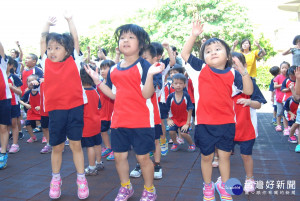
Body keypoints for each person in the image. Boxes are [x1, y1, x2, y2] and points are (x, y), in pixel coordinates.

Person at [85, 23, 164, 201]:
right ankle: (125, 187)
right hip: (119, 120)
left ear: (141, 43)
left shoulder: (144, 66)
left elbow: (147, 94)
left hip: (142, 121)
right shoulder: (113, 69)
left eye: (131, 37)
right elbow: (113, 94)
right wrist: (98, 81)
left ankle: (149, 189)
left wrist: (150, 75)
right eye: (122, 38)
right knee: (119, 157)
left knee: (143, 158)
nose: (125, 40)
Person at [181, 19, 253, 201]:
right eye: (208, 51)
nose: (213, 52)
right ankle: (207, 186)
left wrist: (243, 71)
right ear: (204, 56)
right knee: (206, 158)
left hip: (227, 124)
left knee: (224, 157)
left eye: (218, 49)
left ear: (228, 55)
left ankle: (225, 186)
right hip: (205, 124)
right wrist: (194, 35)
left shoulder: (233, 74)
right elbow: (185, 53)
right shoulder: (200, 69)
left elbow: (248, 91)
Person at [40, 14, 89, 199]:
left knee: (76, 144)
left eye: (57, 48)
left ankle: (81, 178)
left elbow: (75, 38)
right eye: (50, 47)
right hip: (56, 110)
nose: (52, 51)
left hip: (75, 107)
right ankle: (55, 178)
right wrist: (47, 24)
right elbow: (42, 40)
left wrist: (70, 21)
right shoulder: (45, 61)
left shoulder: (74, 59)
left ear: (67, 50)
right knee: (57, 146)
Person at [231, 52, 267, 194]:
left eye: (236, 64)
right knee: (224, 154)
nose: (233, 68)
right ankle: (224, 179)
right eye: (230, 64)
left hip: (247, 127)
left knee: (246, 155)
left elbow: (259, 104)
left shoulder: (250, 83)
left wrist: (249, 101)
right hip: (228, 127)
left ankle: (250, 179)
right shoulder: (224, 83)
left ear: (244, 66)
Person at [130, 44, 163, 180]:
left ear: (154, 59)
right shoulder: (134, 70)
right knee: (137, 142)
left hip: (152, 115)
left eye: (145, 58)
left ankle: (157, 165)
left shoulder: (155, 73)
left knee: (155, 141)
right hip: (137, 115)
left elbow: (152, 88)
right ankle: (139, 164)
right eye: (140, 58)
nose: (142, 61)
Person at [151, 41, 175, 156]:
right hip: (147, 99)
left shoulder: (162, 66)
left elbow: (173, 61)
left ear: (158, 56)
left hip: (159, 99)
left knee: (160, 122)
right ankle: (152, 144)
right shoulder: (144, 66)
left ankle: (163, 140)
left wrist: (168, 48)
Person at [80, 67, 104, 176]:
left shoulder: (82, 93)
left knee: (89, 146)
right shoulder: (95, 91)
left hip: (86, 124)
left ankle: (92, 167)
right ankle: (99, 162)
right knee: (97, 143)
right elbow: (99, 106)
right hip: (96, 122)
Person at [166, 73, 195, 152]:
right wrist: (168, 119)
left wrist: (187, 123)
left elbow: (190, 109)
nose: (178, 85)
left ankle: (191, 144)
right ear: (172, 85)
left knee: (184, 133)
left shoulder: (186, 96)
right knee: (171, 131)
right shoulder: (170, 97)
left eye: (180, 83)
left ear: (184, 85)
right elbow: (166, 109)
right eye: (176, 83)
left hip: (184, 120)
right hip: (174, 119)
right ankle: (175, 143)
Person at [98, 60, 115, 161]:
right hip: (103, 111)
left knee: (113, 131)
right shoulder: (100, 81)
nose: (102, 71)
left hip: (113, 110)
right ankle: (108, 147)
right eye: (101, 69)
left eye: (105, 68)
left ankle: (115, 149)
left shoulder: (114, 82)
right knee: (103, 130)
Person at [0, 41, 12, 169]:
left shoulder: (2, 63)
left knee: (3, 127)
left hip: (3, 99)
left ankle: (3, 152)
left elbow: (1, 49)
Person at [6, 57, 23, 153]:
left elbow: (20, 92)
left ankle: (15, 144)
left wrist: (12, 87)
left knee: (13, 124)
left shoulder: (13, 77)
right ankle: (5, 143)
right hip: (3, 103)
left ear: (11, 66)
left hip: (13, 103)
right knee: (4, 125)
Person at [19, 74, 41, 143]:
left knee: (44, 126)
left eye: (32, 81)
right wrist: (25, 104)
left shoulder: (41, 91)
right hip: (32, 112)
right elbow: (20, 100)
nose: (30, 83)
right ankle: (32, 137)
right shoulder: (28, 92)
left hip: (41, 111)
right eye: (29, 81)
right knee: (27, 124)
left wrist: (40, 106)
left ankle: (45, 137)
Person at [274, 61, 290, 134]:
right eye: (282, 68)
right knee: (279, 112)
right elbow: (275, 86)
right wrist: (283, 85)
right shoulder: (278, 77)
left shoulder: (290, 77)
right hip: (279, 98)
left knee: (286, 112)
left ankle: (287, 126)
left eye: (286, 68)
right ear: (280, 69)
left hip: (287, 98)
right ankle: (278, 125)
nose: (284, 69)